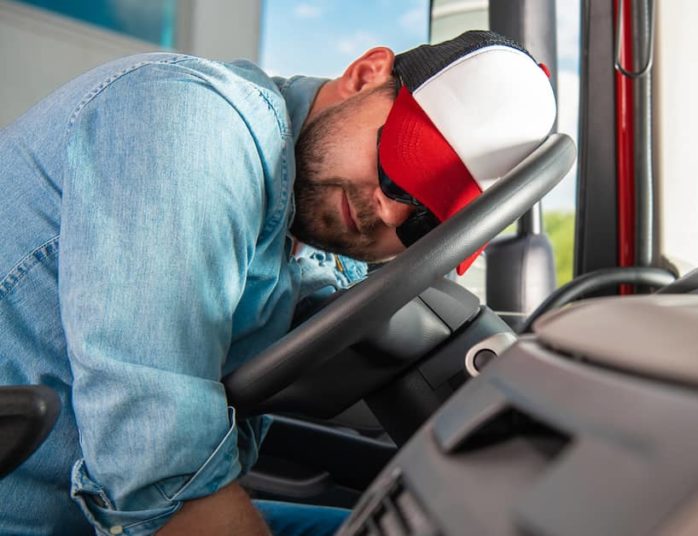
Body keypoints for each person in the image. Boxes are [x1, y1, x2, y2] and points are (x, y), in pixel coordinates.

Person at [0, 30, 556, 535]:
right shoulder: (194, 124)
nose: (389, 213)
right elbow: (158, 477)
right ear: (365, 74)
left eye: (425, 218)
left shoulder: (314, 228)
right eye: (396, 169)